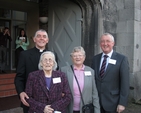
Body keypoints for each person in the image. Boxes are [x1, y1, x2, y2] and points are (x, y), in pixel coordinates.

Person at [91, 33, 129, 113]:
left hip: (113, 102)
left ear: (113, 43)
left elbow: (125, 83)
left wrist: (122, 103)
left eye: (108, 41)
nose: (105, 44)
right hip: (96, 103)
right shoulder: (95, 59)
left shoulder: (121, 59)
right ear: (100, 44)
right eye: (102, 41)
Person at [14, 29, 49, 113]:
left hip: (49, 100)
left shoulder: (53, 54)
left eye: (44, 37)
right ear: (34, 39)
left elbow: (56, 75)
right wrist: (21, 92)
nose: (41, 38)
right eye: (39, 36)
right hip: (30, 99)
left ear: (47, 40)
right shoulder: (24, 55)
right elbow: (19, 77)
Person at [61, 46, 100, 113]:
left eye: (80, 55)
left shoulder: (90, 71)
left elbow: (94, 93)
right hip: (68, 108)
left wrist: (97, 110)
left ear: (84, 57)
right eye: (75, 55)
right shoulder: (64, 70)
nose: (78, 57)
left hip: (85, 109)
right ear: (71, 58)